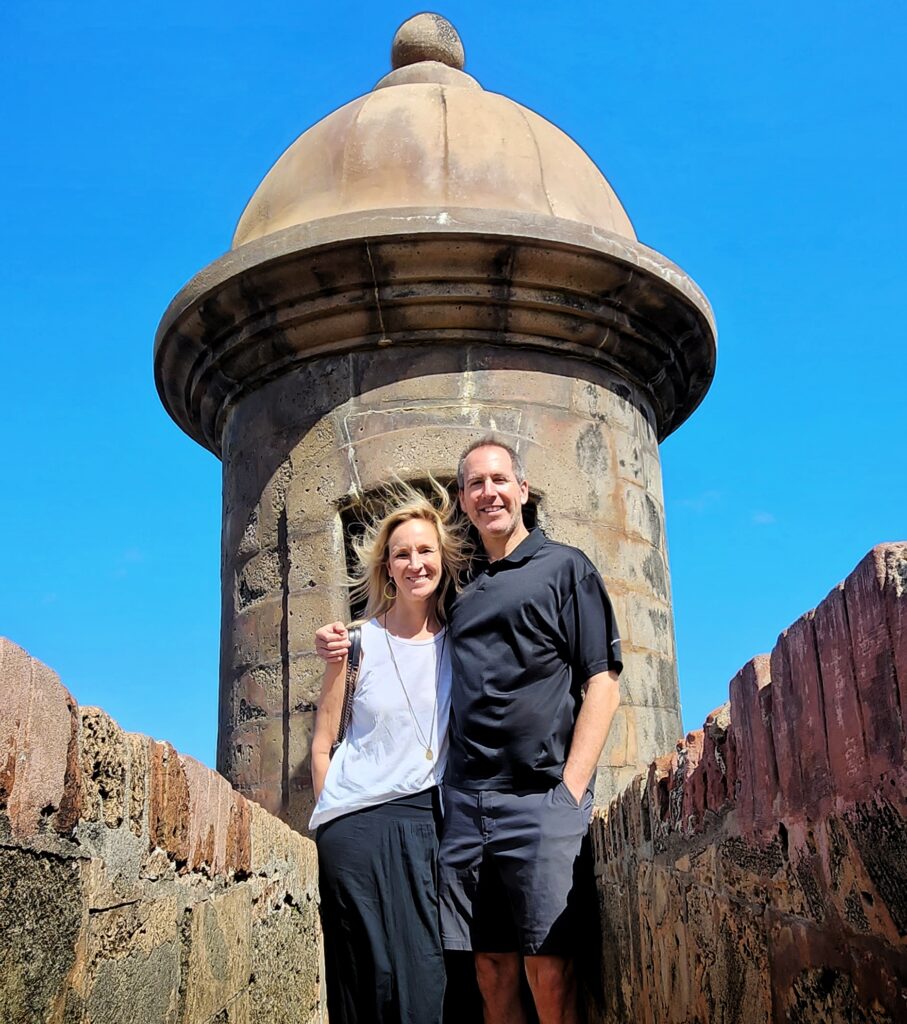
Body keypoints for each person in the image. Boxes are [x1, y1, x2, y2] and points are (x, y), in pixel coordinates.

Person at [317, 437, 622, 1024]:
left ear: (523, 490)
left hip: (539, 800)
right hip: (465, 809)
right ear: (462, 497)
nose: (490, 493)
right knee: (490, 971)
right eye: (476, 484)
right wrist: (343, 641)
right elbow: (404, 616)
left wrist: (571, 793)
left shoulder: (566, 568)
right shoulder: (462, 588)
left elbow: (602, 683)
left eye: (500, 480)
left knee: (550, 971)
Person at [309, 480, 468, 1024]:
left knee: (426, 981)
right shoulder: (354, 643)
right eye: (402, 554)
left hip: (424, 820)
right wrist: (329, 816)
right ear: (386, 567)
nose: (415, 563)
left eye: (426, 551)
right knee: (363, 982)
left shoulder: (462, 642)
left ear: (443, 560)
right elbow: (324, 740)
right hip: (352, 825)